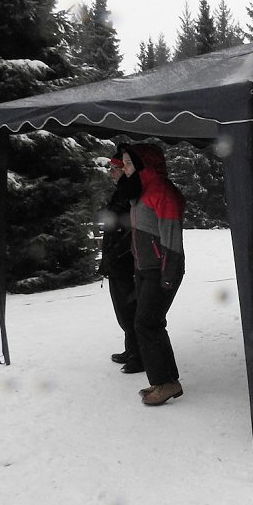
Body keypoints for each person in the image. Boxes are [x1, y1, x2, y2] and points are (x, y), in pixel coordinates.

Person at [119, 143, 186, 406]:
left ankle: (166, 383)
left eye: (127, 163)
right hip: (145, 270)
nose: (124, 168)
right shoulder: (140, 190)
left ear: (143, 163)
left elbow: (172, 239)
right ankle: (166, 380)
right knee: (151, 323)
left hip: (162, 269)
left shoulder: (161, 191)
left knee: (145, 323)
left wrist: (168, 274)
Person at [96, 151, 142, 373]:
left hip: (126, 262)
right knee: (123, 308)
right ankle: (131, 349)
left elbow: (130, 230)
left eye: (115, 169)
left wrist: (118, 253)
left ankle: (139, 354)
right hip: (117, 262)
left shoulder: (131, 193)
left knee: (130, 308)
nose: (111, 174)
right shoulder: (122, 193)